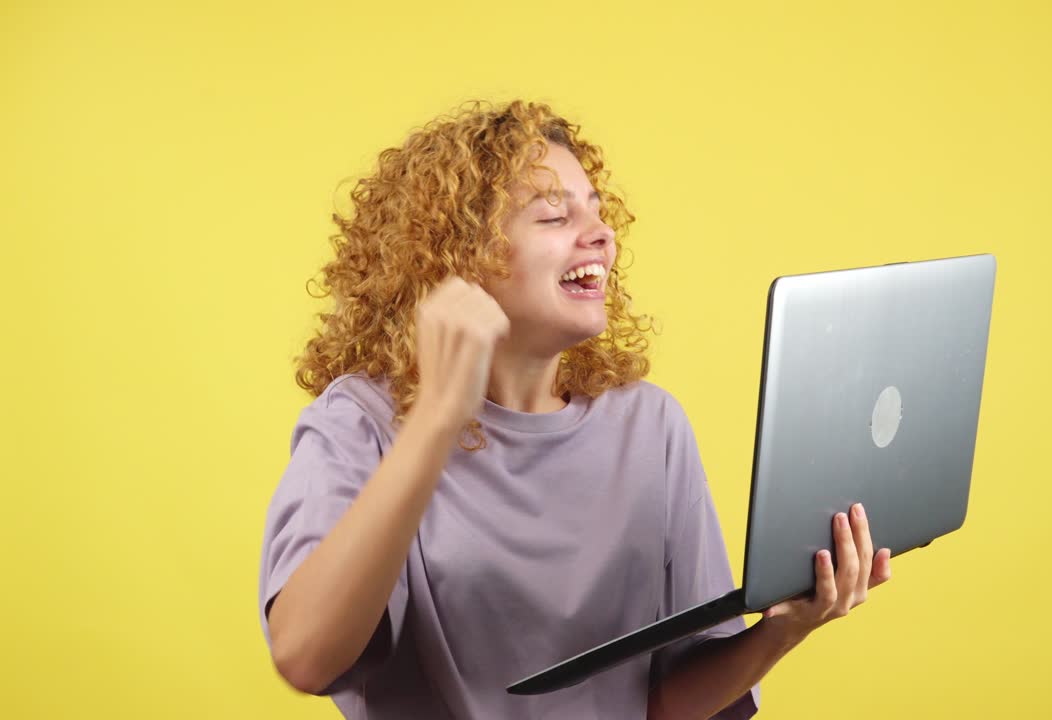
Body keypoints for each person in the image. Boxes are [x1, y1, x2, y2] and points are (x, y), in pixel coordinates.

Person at [257, 99, 892, 719]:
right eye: (554, 217)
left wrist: (782, 631)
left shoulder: (650, 426)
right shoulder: (361, 423)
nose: (601, 234)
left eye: (596, 210)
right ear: (460, 256)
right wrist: (436, 418)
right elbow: (306, 657)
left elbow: (660, 705)